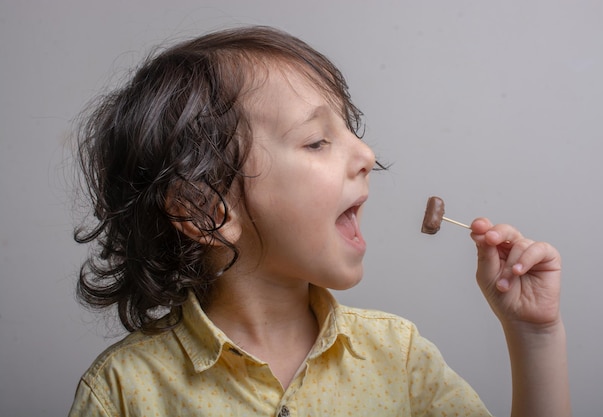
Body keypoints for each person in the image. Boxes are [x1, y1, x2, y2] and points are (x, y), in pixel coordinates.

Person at [68, 25, 570, 417]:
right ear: (205, 211)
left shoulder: (397, 356)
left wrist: (535, 336)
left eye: (352, 132)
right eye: (316, 141)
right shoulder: (123, 392)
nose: (367, 155)